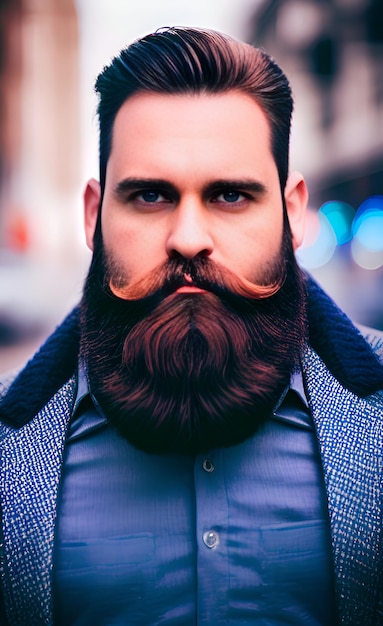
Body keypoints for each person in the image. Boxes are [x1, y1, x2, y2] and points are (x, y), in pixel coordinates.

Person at [0, 26, 382, 626]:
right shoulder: (8, 452)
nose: (188, 238)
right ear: (95, 216)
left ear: (292, 212)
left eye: (230, 196)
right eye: (151, 196)